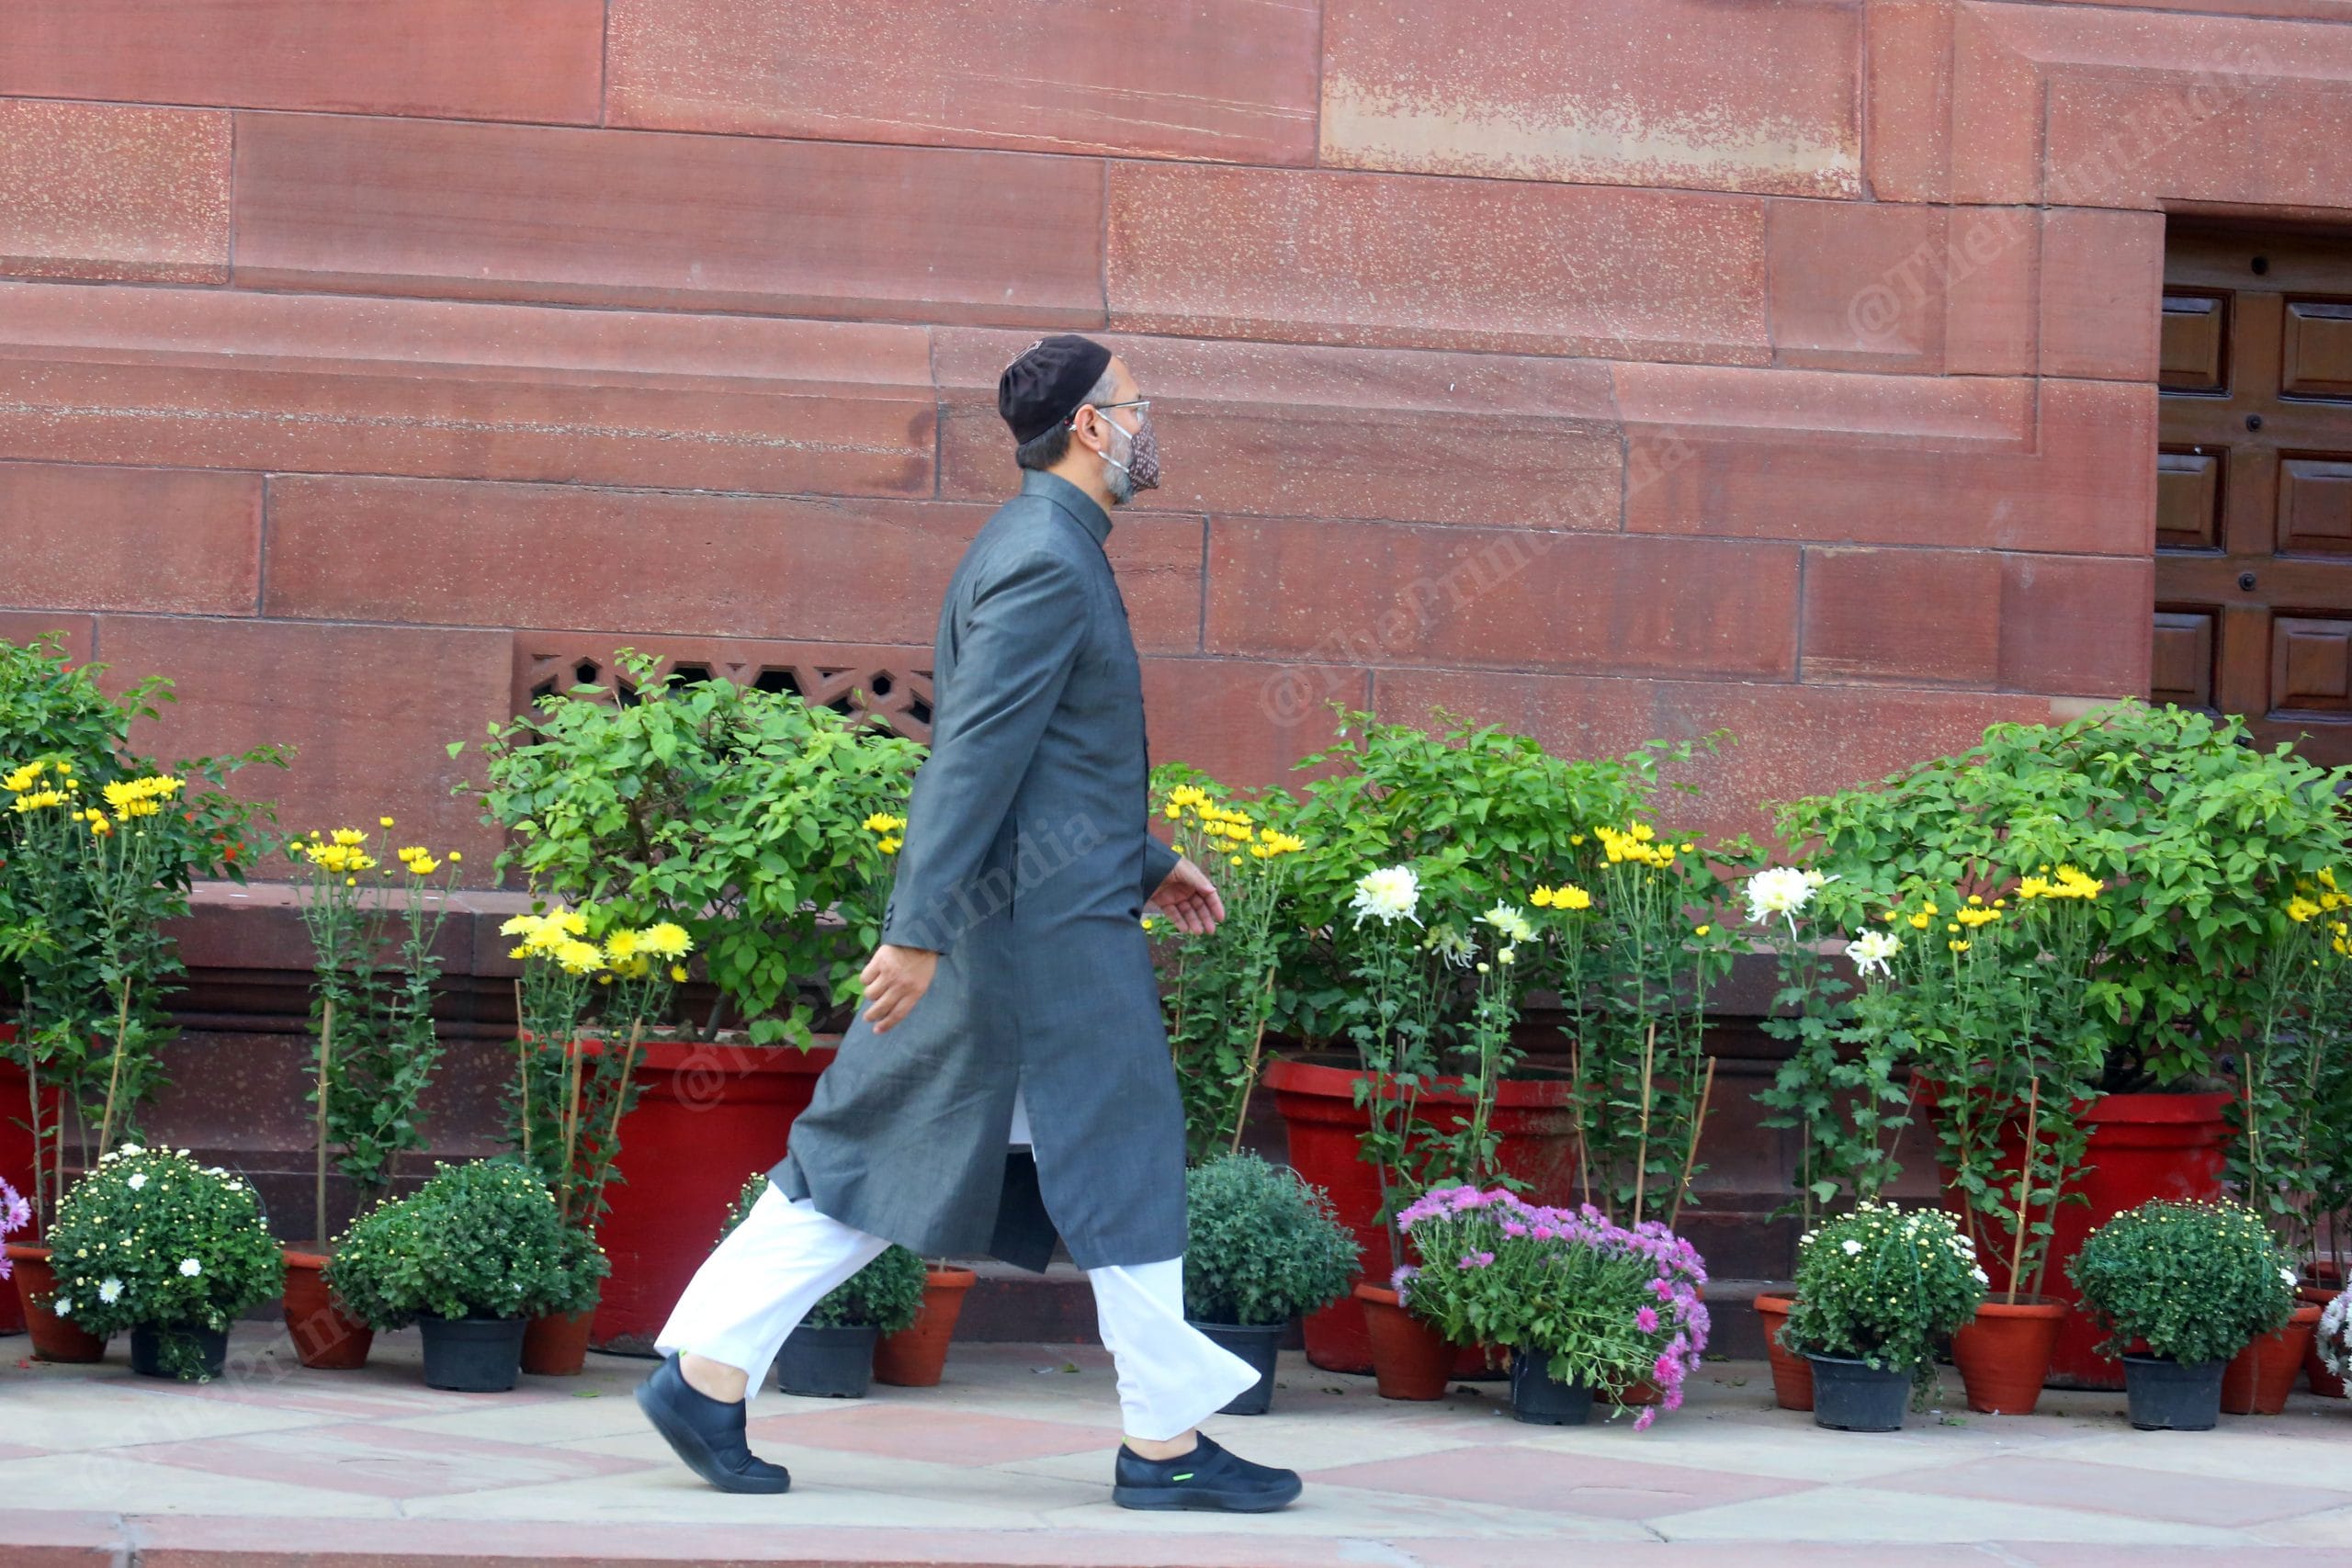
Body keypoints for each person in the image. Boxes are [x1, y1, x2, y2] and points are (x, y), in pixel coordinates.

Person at [636, 334, 1303, 1514]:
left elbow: (1050, 761)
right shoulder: (1048, 558)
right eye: (1136, 404)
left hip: (1036, 926)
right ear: (1091, 426)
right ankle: (1161, 1450)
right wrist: (915, 931)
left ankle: (707, 1375)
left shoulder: (1040, 542)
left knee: (876, 1151)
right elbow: (972, 759)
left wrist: (1144, 860)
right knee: (1103, 1162)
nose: (1149, 422)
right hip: (1040, 948)